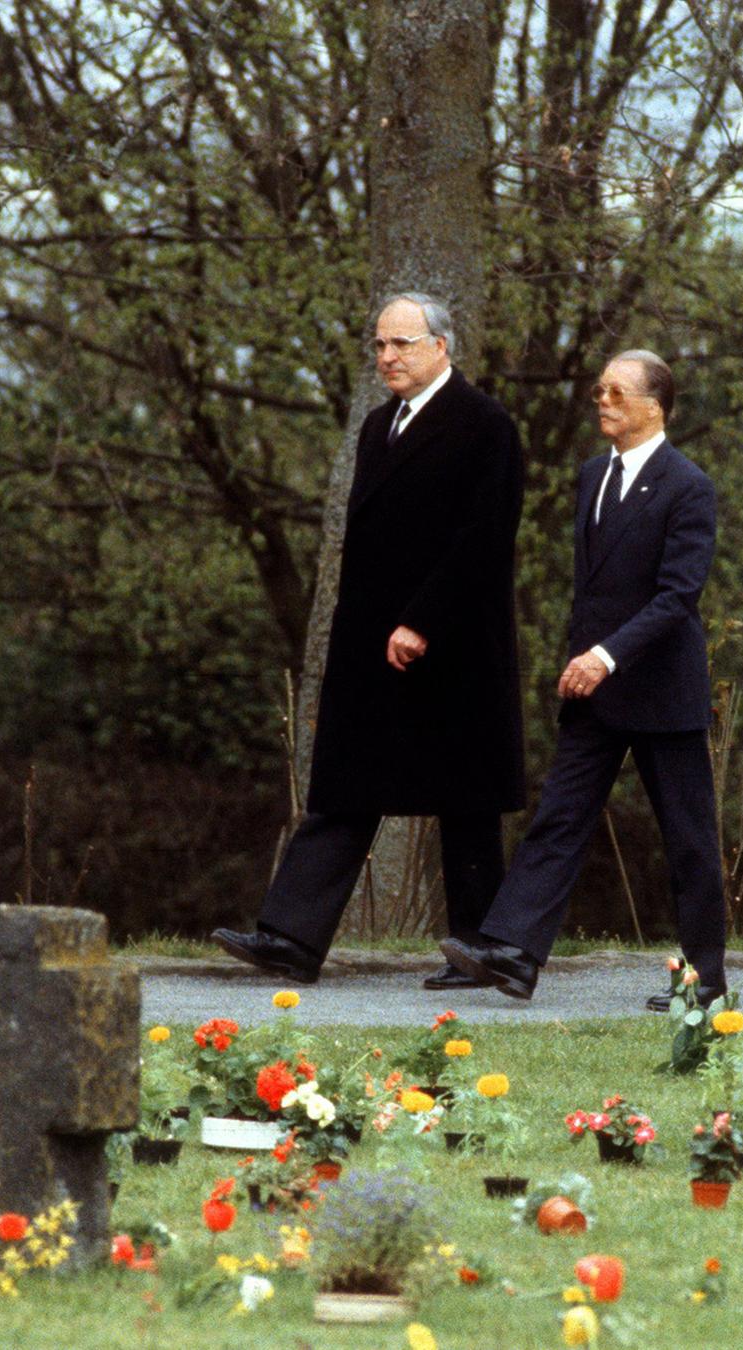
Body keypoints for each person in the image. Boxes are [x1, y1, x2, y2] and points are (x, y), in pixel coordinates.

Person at [212, 293, 525, 988]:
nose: (386, 357)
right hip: (374, 641)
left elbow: (484, 539)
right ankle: (290, 935)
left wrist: (423, 620)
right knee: (347, 784)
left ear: (442, 346)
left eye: (401, 344)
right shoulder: (380, 424)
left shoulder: (485, 425)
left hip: (453, 642)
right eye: (380, 345)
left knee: (465, 797)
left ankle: (483, 949)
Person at [440, 350, 725, 1009]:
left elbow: (677, 596)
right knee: (559, 819)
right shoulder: (593, 474)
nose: (602, 401)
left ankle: (704, 979)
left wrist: (605, 656)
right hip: (594, 689)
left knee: (688, 838)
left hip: (658, 687)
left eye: (617, 394)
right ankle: (513, 951)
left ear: (653, 407)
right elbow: (592, 588)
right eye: (600, 391)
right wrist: (583, 660)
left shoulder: (689, 486)